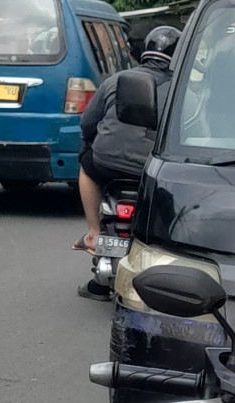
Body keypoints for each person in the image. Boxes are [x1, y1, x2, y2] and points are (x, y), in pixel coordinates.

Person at [75, 25, 180, 300]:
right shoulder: (182, 89)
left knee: (86, 166)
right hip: (151, 169)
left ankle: (93, 232)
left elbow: (88, 123)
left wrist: (93, 142)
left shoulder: (116, 80)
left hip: (106, 161)